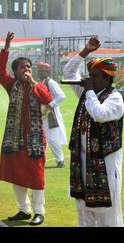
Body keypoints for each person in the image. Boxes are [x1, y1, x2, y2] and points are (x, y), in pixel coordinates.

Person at [63, 37, 123, 227]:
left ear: (107, 78)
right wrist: (85, 51)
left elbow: (100, 114)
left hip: (106, 161)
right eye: (90, 75)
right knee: (83, 207)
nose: (90, 79)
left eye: (95, 76)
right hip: (82, 158)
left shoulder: (115, 99)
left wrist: (88, 91)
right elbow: (68, 72)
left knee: (107, 213)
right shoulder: (86, 94)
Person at [0, 32, 53, 226]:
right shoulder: (11, 84)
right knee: (16, 173)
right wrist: (6, 47)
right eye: (22, 67)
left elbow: (47, 100)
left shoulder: (38, 86)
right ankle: (23, 209)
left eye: (28, 67)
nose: (27, 69)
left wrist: (33, 83)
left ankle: (39, 212)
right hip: (14, 137)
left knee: (37, 176)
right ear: (16, 71)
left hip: (35, 139)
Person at [37, 62, 68, 168]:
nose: (40, 72)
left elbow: (62, 96)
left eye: (42, 70)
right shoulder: (41, 82)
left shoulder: (51, 83)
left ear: (47, 71)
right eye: (39, 70)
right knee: (41, 138)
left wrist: (51, 104)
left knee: (52, 139)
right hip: (43, 114)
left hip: (51, 115)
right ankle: (39, 159)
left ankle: (60, 160)